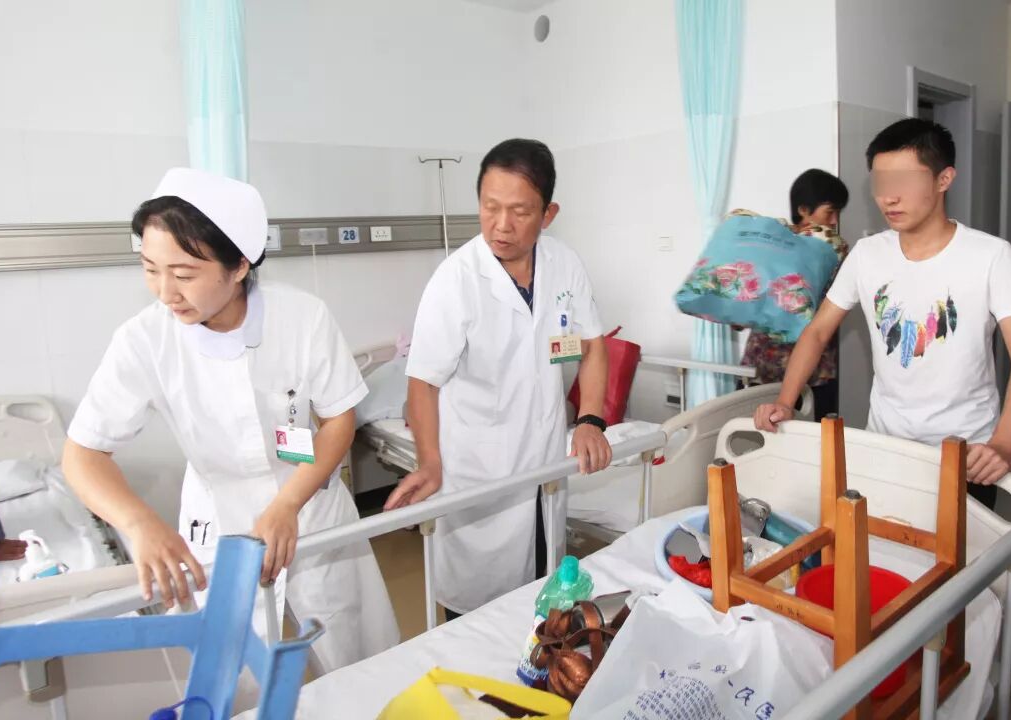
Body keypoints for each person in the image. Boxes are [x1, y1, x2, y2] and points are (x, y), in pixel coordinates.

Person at [62, 168, 399, 671]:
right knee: (232, 673)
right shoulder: (144, 339)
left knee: (355, 650)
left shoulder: (302, 317)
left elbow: (338, 421)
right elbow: (83, 453)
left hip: (309, 501)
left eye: (183, 274)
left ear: (239, 265)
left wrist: (288, 502)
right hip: (218, 518)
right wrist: (140, 523)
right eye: (150, 268)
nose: (164, 291)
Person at [754, 119, 1011, 507]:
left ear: (944, 179)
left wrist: (1004, 444)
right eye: (880, 183)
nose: (888, 197)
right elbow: (819, 330)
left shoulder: (991, 256)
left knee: (960, 547)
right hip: (886, 444)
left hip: (967, 453)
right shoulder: (867, 254)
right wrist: (786, 400)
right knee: (883, 540)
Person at [383, 138, 612, 620]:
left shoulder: (564, 264)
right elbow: (422, 382)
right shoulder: (456, 280)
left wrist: (591, 420)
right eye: (490, 207)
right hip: (478, 470)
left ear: (548, 214)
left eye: (519, 211)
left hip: (544, 461)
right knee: (476, 615)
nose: (501, 225)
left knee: (545, 600)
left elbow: (592, 345)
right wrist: (429, 462)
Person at [737, 169, 850, 419]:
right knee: (756, 438)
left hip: (815, 372)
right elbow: (748, 302)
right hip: (765, 367)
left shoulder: (834, 251)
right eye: (829, 212)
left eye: (838, 213)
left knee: (814, 441)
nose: (834, 221)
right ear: (803, 210)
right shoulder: (770, 245)